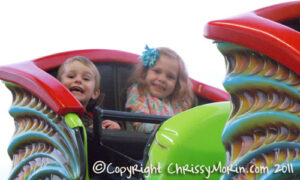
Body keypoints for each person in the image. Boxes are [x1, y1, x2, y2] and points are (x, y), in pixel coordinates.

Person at [125, 45, 195, 133]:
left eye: (170, 76)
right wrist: (167, 128)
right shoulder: (138, 91)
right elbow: (140, 125)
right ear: (145, 72)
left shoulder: (177, 102)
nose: (162, 79)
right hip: (141, 143)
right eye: (157, 71)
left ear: (177, 84)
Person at [57, 56, 120, 130]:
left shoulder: (96, 117)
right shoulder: (54, 115)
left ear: (95, 93)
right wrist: (89, 132)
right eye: (71, 76)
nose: (78, 80)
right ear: (58, 85)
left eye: (86, 78)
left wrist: (114, 128)